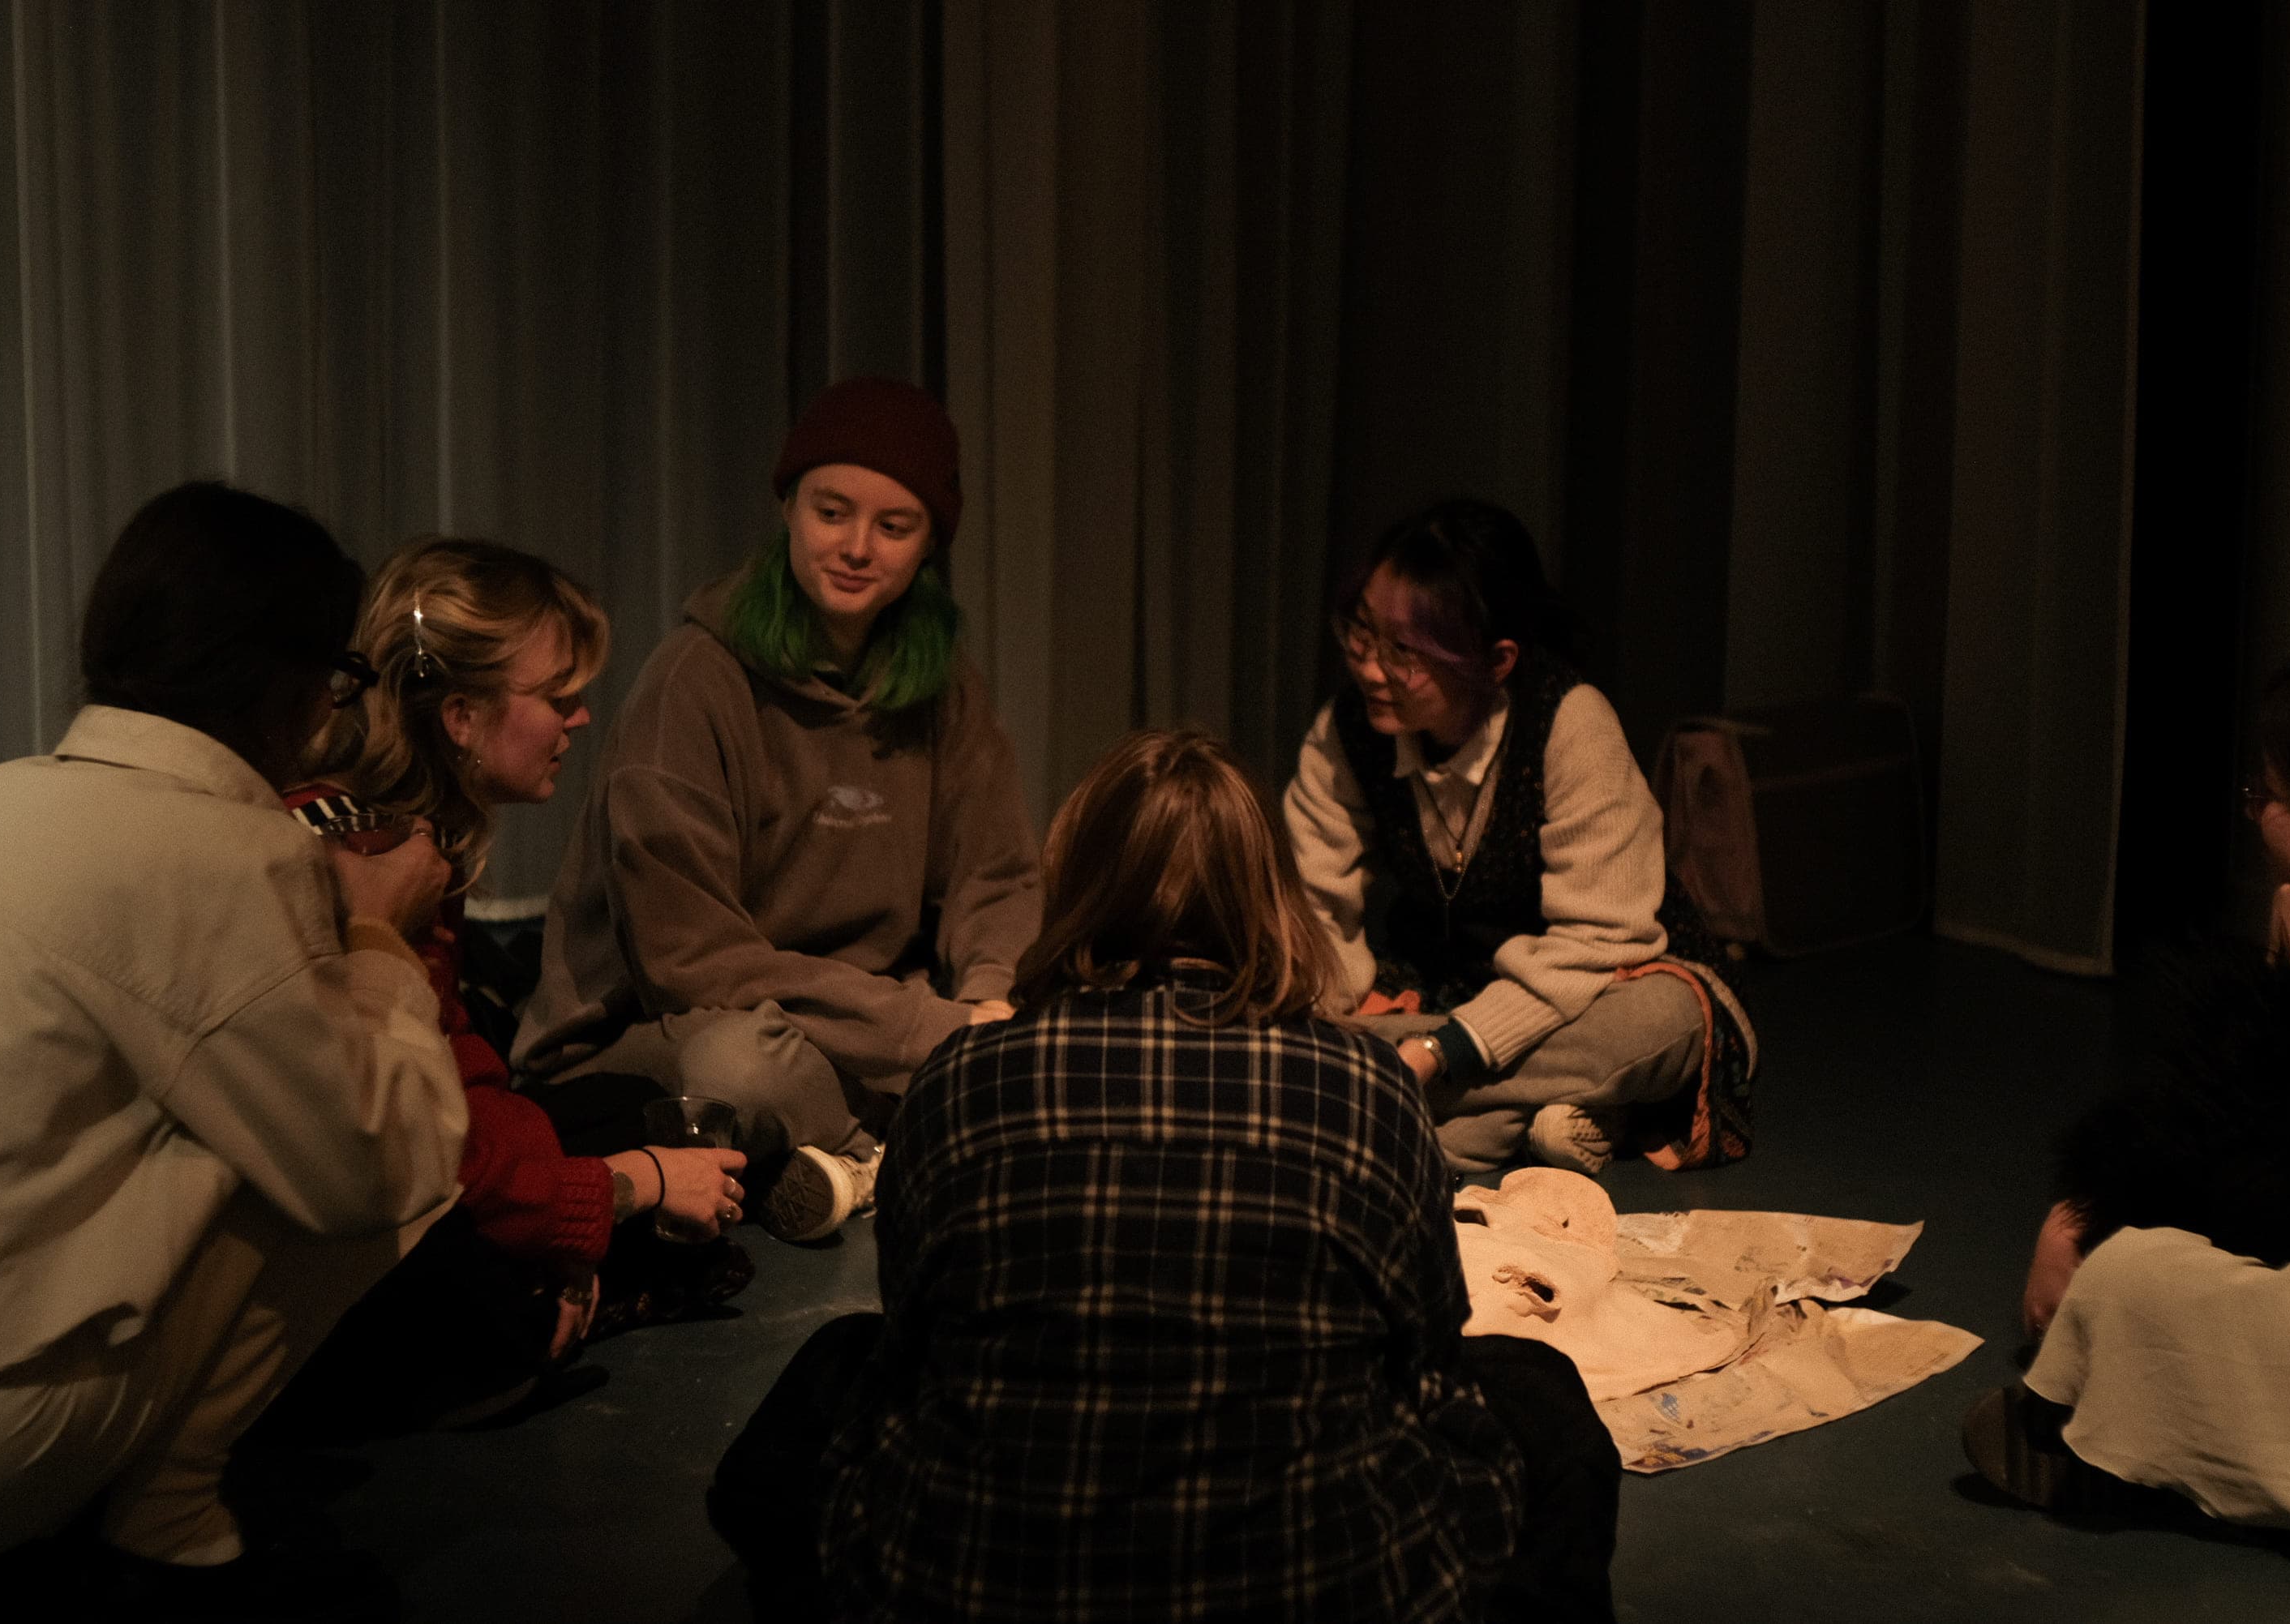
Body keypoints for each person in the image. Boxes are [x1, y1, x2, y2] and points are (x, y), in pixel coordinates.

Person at [710, 730, 1621, 1622]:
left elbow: (912, 1346)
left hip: (971, 1587)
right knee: (1535, 1392)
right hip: (1322, 1586)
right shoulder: (1370, 1087)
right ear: (1270, 892)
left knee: (835, 1367)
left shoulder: (958, 1077)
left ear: (1075, 886)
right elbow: (1422, 1357)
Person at [0, 482, 466, 1617]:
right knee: (366, 1139)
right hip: (8, 1423)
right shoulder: (225, 853)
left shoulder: (6, 795)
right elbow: (376, 1164)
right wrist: (376, 936)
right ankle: (169, 1511)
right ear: (290, 681)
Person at [512, 377, 1043, 1242]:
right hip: (665, 1026)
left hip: (858, 1018)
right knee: (738, 1066)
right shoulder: (695, 680)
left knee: (1031, 1025)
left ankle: (861, 1154)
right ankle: (907, 1149)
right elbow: (694, 961)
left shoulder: (944, 690)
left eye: (894, 526)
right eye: (833, 511)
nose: (857, 547)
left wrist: (991, 1006)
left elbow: (998, 876)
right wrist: (934, 1034)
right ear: (788, 506)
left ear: (928, 544)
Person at [270, 538, 752, 1432]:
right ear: (460, 714)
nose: (578, 718)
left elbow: (461, 1072)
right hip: (332, 1212)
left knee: (627, 1097)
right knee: (488, 1294)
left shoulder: (412, 834)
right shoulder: (367, 858)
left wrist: (579, 1192)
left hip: (412, 1156)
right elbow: (420, 1148)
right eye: (557, 695)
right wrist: (628, 1186)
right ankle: (555, 1310)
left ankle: (567, 1282)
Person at [1966, 644, 2290, 1530]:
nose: (2254, 819)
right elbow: (2196, 1139)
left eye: (2271, 798)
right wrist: (2081, 1205)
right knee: (2132, 1254)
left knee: (2142, 1275)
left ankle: (2132, 1455)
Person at [1285, 498, 1746, 1176]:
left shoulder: (1569, 724)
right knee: (1301, 1017)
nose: (1371, 667)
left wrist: (1437, 1053)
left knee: (1666, 1021)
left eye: (1403, 652)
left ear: (1496, 660)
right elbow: (1312, 907)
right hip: (1447, 990)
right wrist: (1320, 1012)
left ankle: (1377, 1094)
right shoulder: (1348, 731)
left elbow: (1595, 943)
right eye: (1362, 631)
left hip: (1600, 986)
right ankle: (1542, 1119)